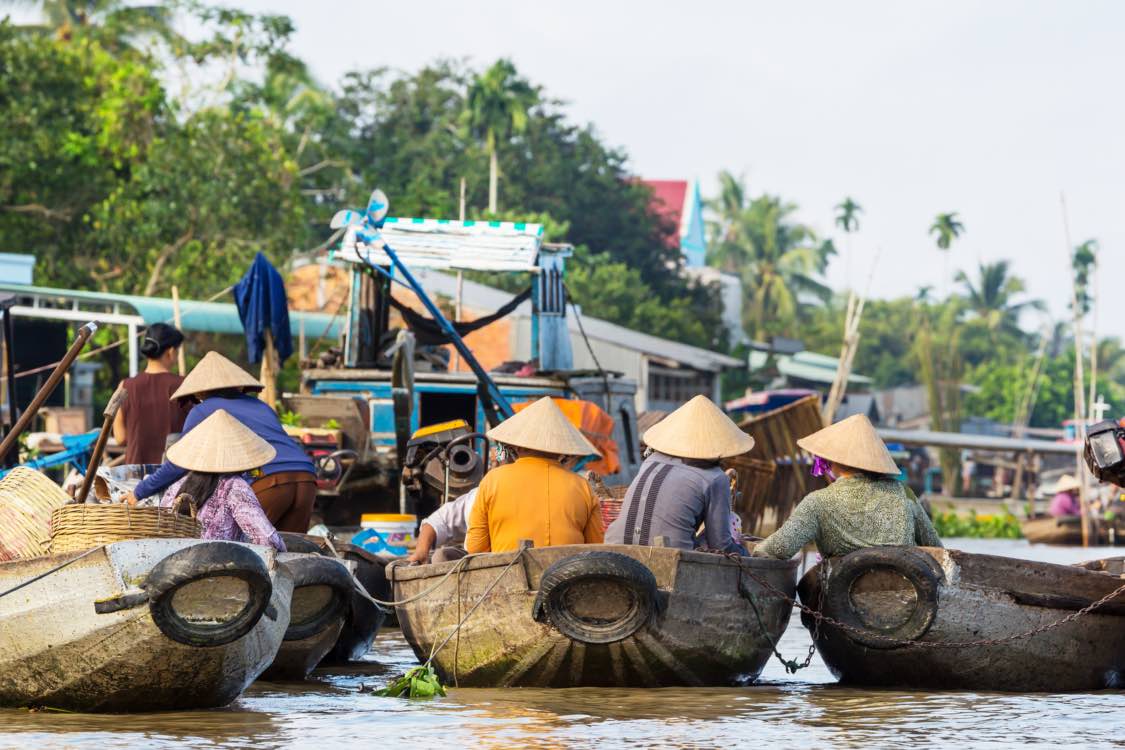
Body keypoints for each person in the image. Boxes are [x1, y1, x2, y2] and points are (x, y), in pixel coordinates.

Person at [131, 352, 317, 532]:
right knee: (291, 552)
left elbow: (179, 464)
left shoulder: (202, 411)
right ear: (238, 386)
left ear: (201, 391)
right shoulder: (262, 407)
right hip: (307, 477)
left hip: (267, 479)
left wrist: (138, 492)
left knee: (250, 548)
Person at [755, 414, 943, 560]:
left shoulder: (817, 502)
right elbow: (936, 547)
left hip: (841, 598)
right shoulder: (904, 493)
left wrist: (753, 549)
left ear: (833, 460)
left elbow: (778, 549)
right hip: (908, 594)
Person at [605, 395, 753, 554]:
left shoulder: (651, 460)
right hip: (667, 556)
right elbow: (721, 545)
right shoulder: (716, 478)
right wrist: (746, 553)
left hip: (613, 545)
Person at [466, 397, 604, 553]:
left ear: (516, 445)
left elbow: (475, 548)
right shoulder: (582, 486)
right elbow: (596, 547)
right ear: (561, 450)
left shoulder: (492, 480)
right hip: (568, 575)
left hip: (507, 575)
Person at [160, 408, 285, 551]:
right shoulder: (235, 486)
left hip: (173, 565)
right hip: (219, 567)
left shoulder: (177, 485)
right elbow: (266, 539)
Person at [112, 322, 191, 465]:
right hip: (173, 477)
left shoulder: (125, 386)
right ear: (171, 351)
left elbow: (120, 438)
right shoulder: (185, 385)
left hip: (135, 479)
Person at [407, 487, 477, 564]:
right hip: (472, 559)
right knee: (440, 556)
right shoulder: (477, 496)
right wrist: (421, 551)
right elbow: (437, 521)